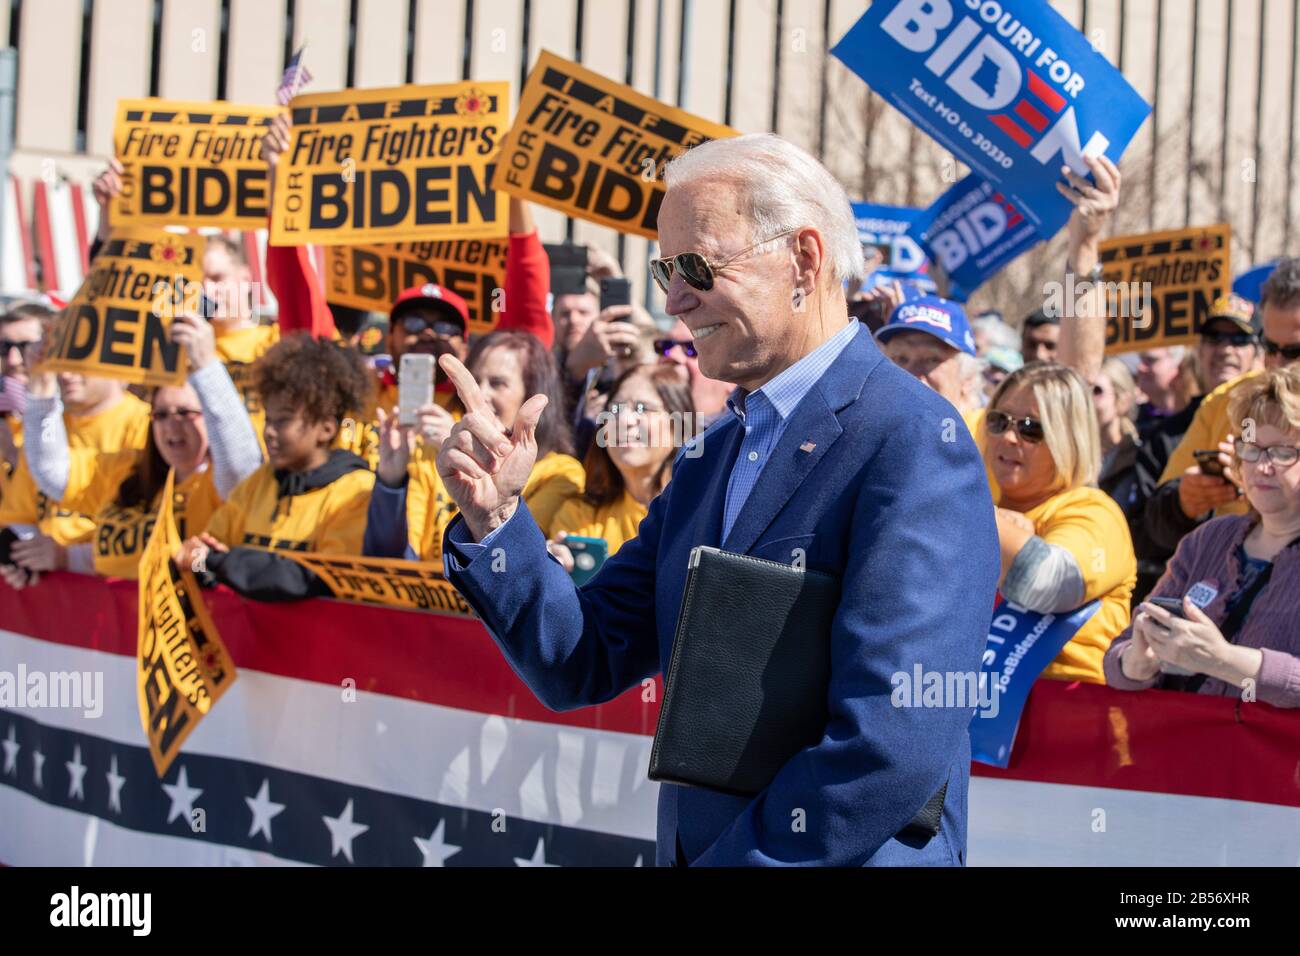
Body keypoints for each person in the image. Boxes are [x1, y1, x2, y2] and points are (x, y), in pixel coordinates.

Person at [435, 133, 999, 867]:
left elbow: (892, 741)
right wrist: (496, 520)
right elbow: (585, 657)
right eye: (666, 269)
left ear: (804, 258)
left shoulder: (913, 439)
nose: (672, 298)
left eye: (697, 266)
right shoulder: (713, 453)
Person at [9, 313, 261, 583]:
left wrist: (206, 368)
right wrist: (41, 385)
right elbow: (51, 471)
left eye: (186, 413)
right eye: (161, 414)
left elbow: (240, 466)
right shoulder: (126, 470)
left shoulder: (217, 486)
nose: (171, 425)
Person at [1105, 367, 1300, 707]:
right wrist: (1137, 662)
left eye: (1283, 452)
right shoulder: (1209, 539)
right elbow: (1118, 658)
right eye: (1251, 448)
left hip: (1274, 759)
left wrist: (1221, 660)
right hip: (1182, 752)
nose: (1261, 466)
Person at [175, 335, 375, 601]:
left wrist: (223, 562)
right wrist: (202, 557)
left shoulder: (357, 491)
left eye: (282, 421)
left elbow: (321, 580)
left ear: (326, 428)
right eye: (268, 419)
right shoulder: (258, 482)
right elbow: (202, 550)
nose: (268, 431)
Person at [364, 330, 579, 561]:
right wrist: (390, 483)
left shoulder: (560, 473)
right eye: (475, 381)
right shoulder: (436, 454)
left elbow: (512, 562)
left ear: (532, 395)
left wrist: (488, 466)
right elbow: (395, 560)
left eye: (498, 383)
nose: (482, 394)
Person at [986, 363, 1137, 683]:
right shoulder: (988, 508)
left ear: (1070, 436)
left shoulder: (1095, 511)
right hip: (979, 718)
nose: (1010, 437)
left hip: (1070, 720)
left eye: (1030, 428)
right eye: (999, 421)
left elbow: (1049, 582)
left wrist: (971, 514)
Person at [1144, 266, 1300, 556]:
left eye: (1293, 352)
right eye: (1269, 347)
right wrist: (1186, 500)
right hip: (1236, 580)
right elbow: (1156, 518)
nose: (1277, 363)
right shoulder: (1228, 402)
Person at [1132, 294, 1266, 601]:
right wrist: (1183, 504)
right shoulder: (1167, 433)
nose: (1225, 349)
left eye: (1239, 338)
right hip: (1189, 586)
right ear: (1199, 348)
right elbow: (1145, 527)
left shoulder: (1275, 413)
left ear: (1259, 352)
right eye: (1214, 337)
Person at [0, 367, 152, 578]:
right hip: (53, 593)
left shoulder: (150, 425)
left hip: (114, 593)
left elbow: (143, 541)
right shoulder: (43, 430)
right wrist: (23, 556)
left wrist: (68, 557)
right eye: (63, 364)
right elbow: (19, 516)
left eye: (80, 364)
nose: (66, 374)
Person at [546, 365, 694, 567]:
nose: (624, 420)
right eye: (615, 409)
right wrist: (553, 575)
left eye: (642, 408)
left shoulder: (699, 512)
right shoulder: (581, 515)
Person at [875, 294, 983, 417]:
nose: (911, 375)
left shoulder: (983, 435)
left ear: (968, 379)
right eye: (901, 358)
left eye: (931, 360)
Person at [0, 302, 52, 471]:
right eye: (4, 348)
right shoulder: (5, 413)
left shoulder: (70, 414)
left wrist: (13, 456)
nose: (13, 360)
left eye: (25, 346)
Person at [656, 318, 734, 427]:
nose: (672, 354)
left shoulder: (739, 438)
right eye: (666, 345)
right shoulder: (637, 429)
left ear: (732, 382)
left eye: (691, 347)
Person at [1133, 346, 1189, 424]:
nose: (1140, 368)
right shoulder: (1133, 421)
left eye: (1151, 360)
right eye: (1141, 360)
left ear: (1179, 365)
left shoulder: (1201, 416)